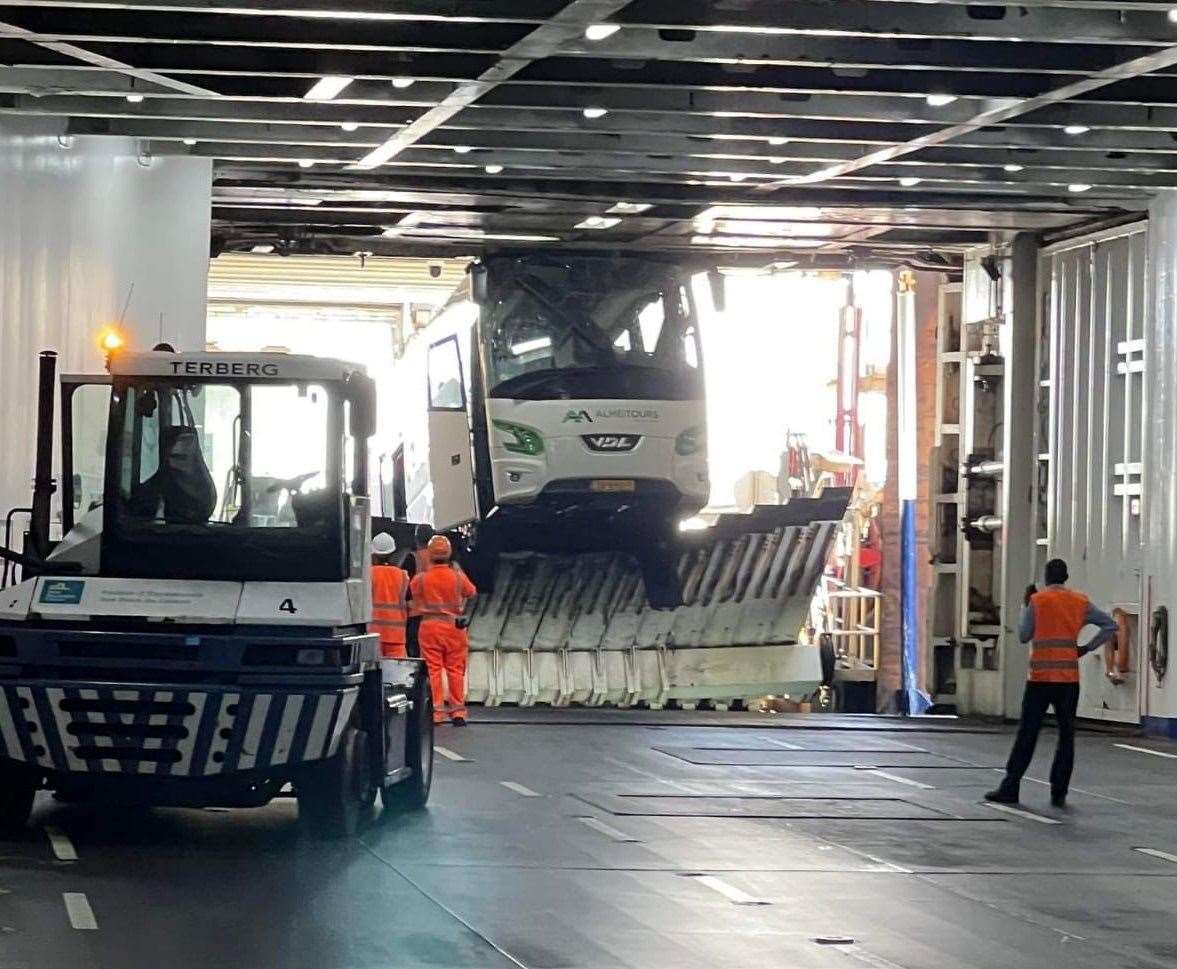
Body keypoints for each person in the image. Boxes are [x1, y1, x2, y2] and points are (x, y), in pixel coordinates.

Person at [986, 558, 1118, 808]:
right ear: (1066, 577)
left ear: (1046, 578)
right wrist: (1086, 648)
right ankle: (1059, 792)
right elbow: (1110, 626)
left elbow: (1024, 636)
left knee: (1028, 733)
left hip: (1041, 680)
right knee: (1066, 735)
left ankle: (1011, 786)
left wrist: (1025, 606)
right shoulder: (1080, 602)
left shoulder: (1038, 601)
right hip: (1068, 680)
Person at [410, 534, 477, 726]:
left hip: (429, 627)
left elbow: (413, 592)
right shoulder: (457, 577)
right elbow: (471, 592)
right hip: (454, 627)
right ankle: (458, 712)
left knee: (433, 669)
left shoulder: (421, 578)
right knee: (456, 670)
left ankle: (435, 712)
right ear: (449, 554)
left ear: (429, 554)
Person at [370, 532, 410, 660]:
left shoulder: (368, 574)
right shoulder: (403, 575)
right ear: (392, 553)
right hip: (396, 635)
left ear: (373, 554)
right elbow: (408, 602)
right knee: (396, 674)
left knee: (374, 673)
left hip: (373, 634)